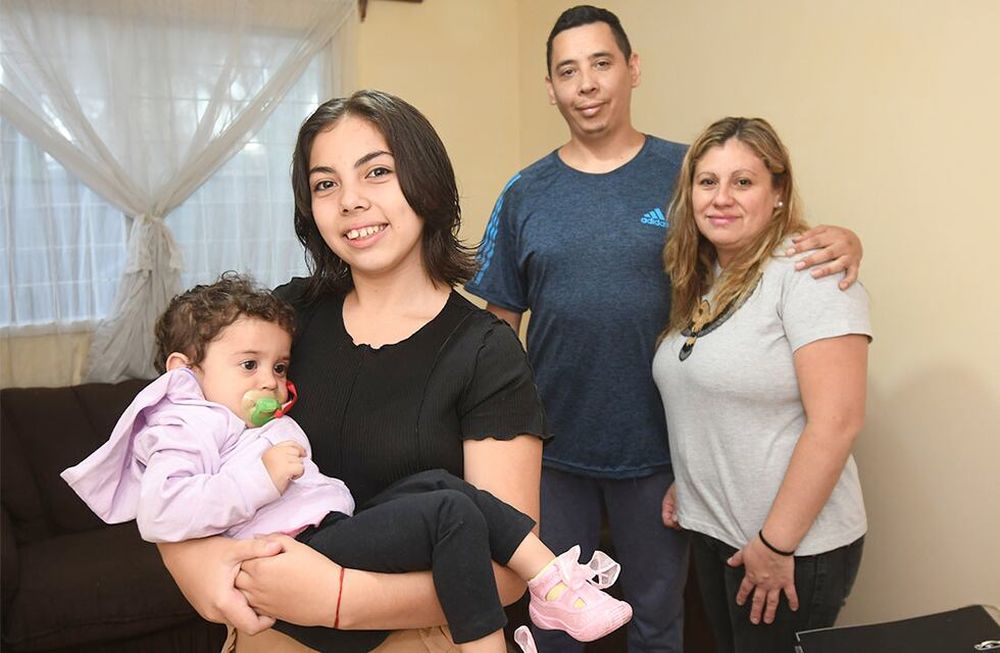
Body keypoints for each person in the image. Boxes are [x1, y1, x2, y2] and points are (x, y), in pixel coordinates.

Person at [465, 6, 865, 653]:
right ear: (551, 89)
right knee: (550, 615)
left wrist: (843, 239)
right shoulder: (524, 192)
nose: (587, 83)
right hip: (554, 449)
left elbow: (755, 248)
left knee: (657, 619)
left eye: (601, 63)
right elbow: (498, 327)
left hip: (663, 455)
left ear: (632, 69)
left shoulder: (687, 176)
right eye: (568, 71)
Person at [147, 89, 573, 653]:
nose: (350, 201)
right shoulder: (281, 322)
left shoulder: (485, 353)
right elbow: (173, 440)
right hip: (271, 632)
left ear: (425, 182)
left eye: (377, 172)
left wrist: (341, 597)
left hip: (421, 640)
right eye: (326, 184)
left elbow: (508, 571)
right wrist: (192, 565)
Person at [63, 272, 633, 653]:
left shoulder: (482, 347)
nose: (270, 380)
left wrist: (340, 592)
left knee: (441, 488)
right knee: (448, 513)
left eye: (280, 367)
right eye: (249, 366)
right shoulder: (187, 420)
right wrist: (249, 491)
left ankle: (551, 582)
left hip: (338, 549)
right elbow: (163, 510)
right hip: (294, 564)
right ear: (185, 371)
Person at [652, 116, 870, 652]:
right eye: (708, 182)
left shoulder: (809, 273)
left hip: (791, 548)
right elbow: (717, 395)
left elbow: (838, 423)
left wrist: (776, 544)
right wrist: (696, 477)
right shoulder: (711, 279)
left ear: (778, 193)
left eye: (743, 182)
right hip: (720, 533)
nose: (722, 198)